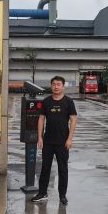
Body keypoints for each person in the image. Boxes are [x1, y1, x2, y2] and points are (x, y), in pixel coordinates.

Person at [31, 76, 77, 205]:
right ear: (51, 86)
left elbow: (73, 120)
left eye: (58, 84)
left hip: (63, 142)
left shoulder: (68, 102)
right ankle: (42, 192)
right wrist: (40, 137)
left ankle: (62, 195)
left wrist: (70, 139)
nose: (56, 86)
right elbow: (41, 119)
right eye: (54, 84)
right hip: (48, 141)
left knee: (63, 169)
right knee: (45, 168)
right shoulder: (46, 101)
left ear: (63, 86)